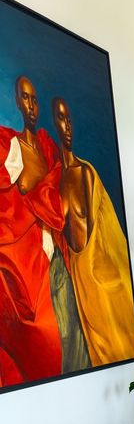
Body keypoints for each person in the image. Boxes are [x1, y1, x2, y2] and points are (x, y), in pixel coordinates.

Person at [51, 96, 134, 367]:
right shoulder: (54, 179)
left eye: (69, 119)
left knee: (118, 349)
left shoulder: (85, 172)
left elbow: (95, 232)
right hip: (77, 277)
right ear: (54, 123)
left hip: (99, 278)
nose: (67, 126)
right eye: (61, 119)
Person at [0, 75, 65, 385]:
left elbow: (54, 194)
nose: (31, 105)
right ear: (16, 101)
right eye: (25, 98)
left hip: (50, 248)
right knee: (40, 331)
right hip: (24, 249)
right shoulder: (9, 145)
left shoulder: (47, 150)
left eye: (35, 99)